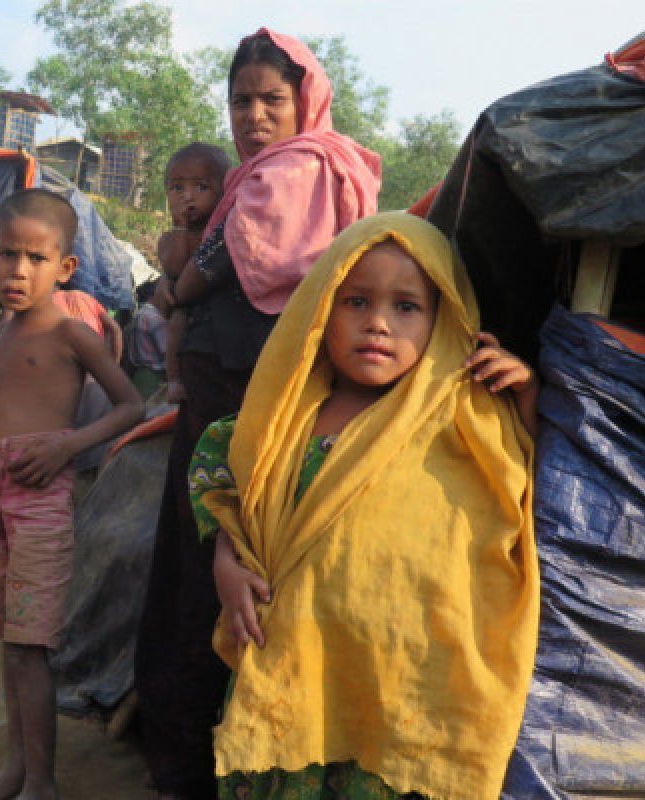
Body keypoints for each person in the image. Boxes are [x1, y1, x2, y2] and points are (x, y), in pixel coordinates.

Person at [190, 213, 539, 799]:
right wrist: (227, 562)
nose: (378, 324)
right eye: (355, 301)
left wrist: (527, 392)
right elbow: (233, 494)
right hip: (292, 665)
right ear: (321, 309)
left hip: (401, 688)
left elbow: (529, 481)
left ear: (445, 317)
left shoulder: (468, 417)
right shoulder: (279, 419)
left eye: (406, 307)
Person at [135, 28, 382, 800]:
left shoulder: (305, 167)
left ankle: (222, 755)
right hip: (218, 393)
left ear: (303, 100)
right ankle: (182, 753)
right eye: (240, 100)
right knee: (197, 556)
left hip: (262, 394)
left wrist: (180, 289)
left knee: (237, 561)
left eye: (272, 98)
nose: (253, 114)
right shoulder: (249, 177)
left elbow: (232, 263)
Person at [0, 188, 144, 800]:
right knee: (10, 642)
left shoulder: (71, 332)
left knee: (30, 645)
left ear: (64, 267)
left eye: (36, 259)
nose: (17, 271)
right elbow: (6, 393)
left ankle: (41, 783)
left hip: (38, 495)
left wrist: (68, 444)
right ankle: (16, 769)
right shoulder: (4, 328)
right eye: (7, 254)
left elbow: (131, 405)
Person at [156, 143, 231, 404]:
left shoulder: (222, 232)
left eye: (200, 187)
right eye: (177, 188)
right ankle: (173, 379)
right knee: (177, 322)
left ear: (224, 192)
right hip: (183, 306)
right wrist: (181, 227)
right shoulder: (172, 236)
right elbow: (175, 267)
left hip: (216, 314)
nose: (187, 197)